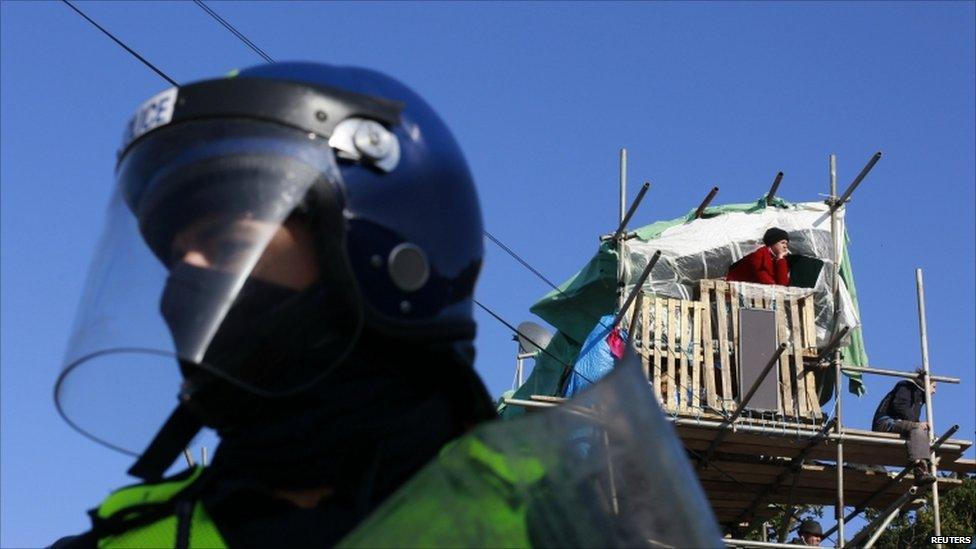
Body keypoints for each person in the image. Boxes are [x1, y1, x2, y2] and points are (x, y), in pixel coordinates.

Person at [51, 63, 720, 548]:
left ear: (390, 257)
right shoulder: (124, 539)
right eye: (176, 256)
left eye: (226, 239)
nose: (185, 276)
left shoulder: (559, 529)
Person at [872, 368, 937, 485]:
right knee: (918, 428)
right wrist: (917, 424)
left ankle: (922, 468)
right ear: (926, 382)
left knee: (920, 430)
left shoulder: (918, 397)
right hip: (886, 423)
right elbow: (899, 407)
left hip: (898, 423)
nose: (935, 391)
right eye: (934, 386)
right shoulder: (906, 386)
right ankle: (920, 470)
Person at [726, 227, 791, 286]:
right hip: (733, 290)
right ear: (772, 242)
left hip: (755, 294)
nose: (785, 246)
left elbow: (783, 284)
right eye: (783, 243)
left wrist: (780, 259)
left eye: (786, 243)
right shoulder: (758, 255)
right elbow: (765, 282)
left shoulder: (779, 259)